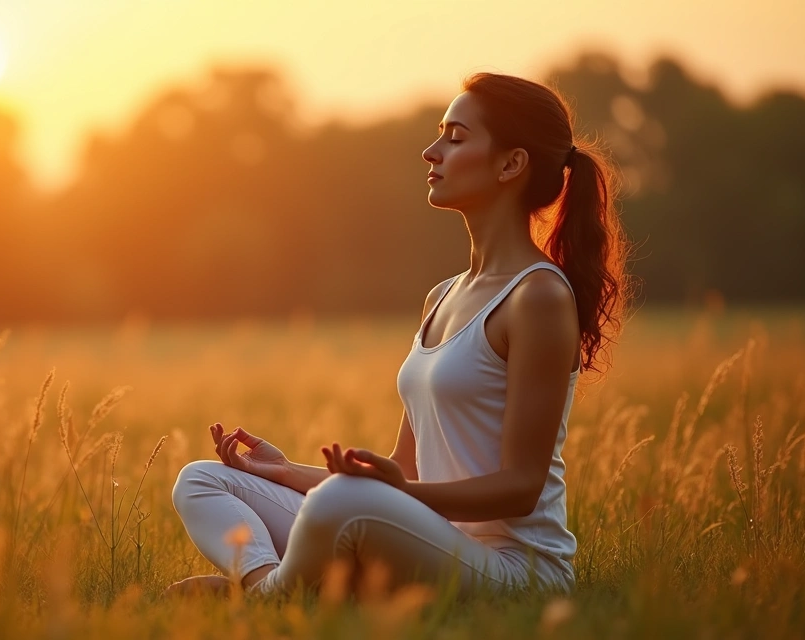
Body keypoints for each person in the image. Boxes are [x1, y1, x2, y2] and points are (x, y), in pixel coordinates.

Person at [164, 72, 631, 599]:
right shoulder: (443, 297)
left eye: (455, 138)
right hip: (419, 539)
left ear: (511, 163)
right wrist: (283, 470)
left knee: (342, 503)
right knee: (203, 480)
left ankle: (263, 604)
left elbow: (520, 489)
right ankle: (265, 588)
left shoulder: (537, 298)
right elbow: (400, 475)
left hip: (514, 572)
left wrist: (399, 495)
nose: (431, 151)